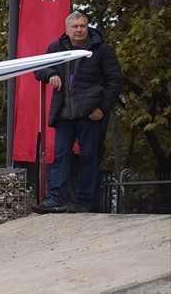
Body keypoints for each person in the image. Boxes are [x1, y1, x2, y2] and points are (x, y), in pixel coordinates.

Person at [32, 11, 124, 214]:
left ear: (88, 27)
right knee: (60, 157)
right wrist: (52, 73)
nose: (79, 30)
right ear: (67, 29)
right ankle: (55, 198)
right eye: (75, 26)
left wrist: (102, 109)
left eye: (83, 26)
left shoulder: (102, 50)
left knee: (89, 158)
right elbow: (38, 69)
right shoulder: (55, 48)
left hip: (90, 115)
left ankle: (84, 202)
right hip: (64, 115)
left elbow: (115, 82)